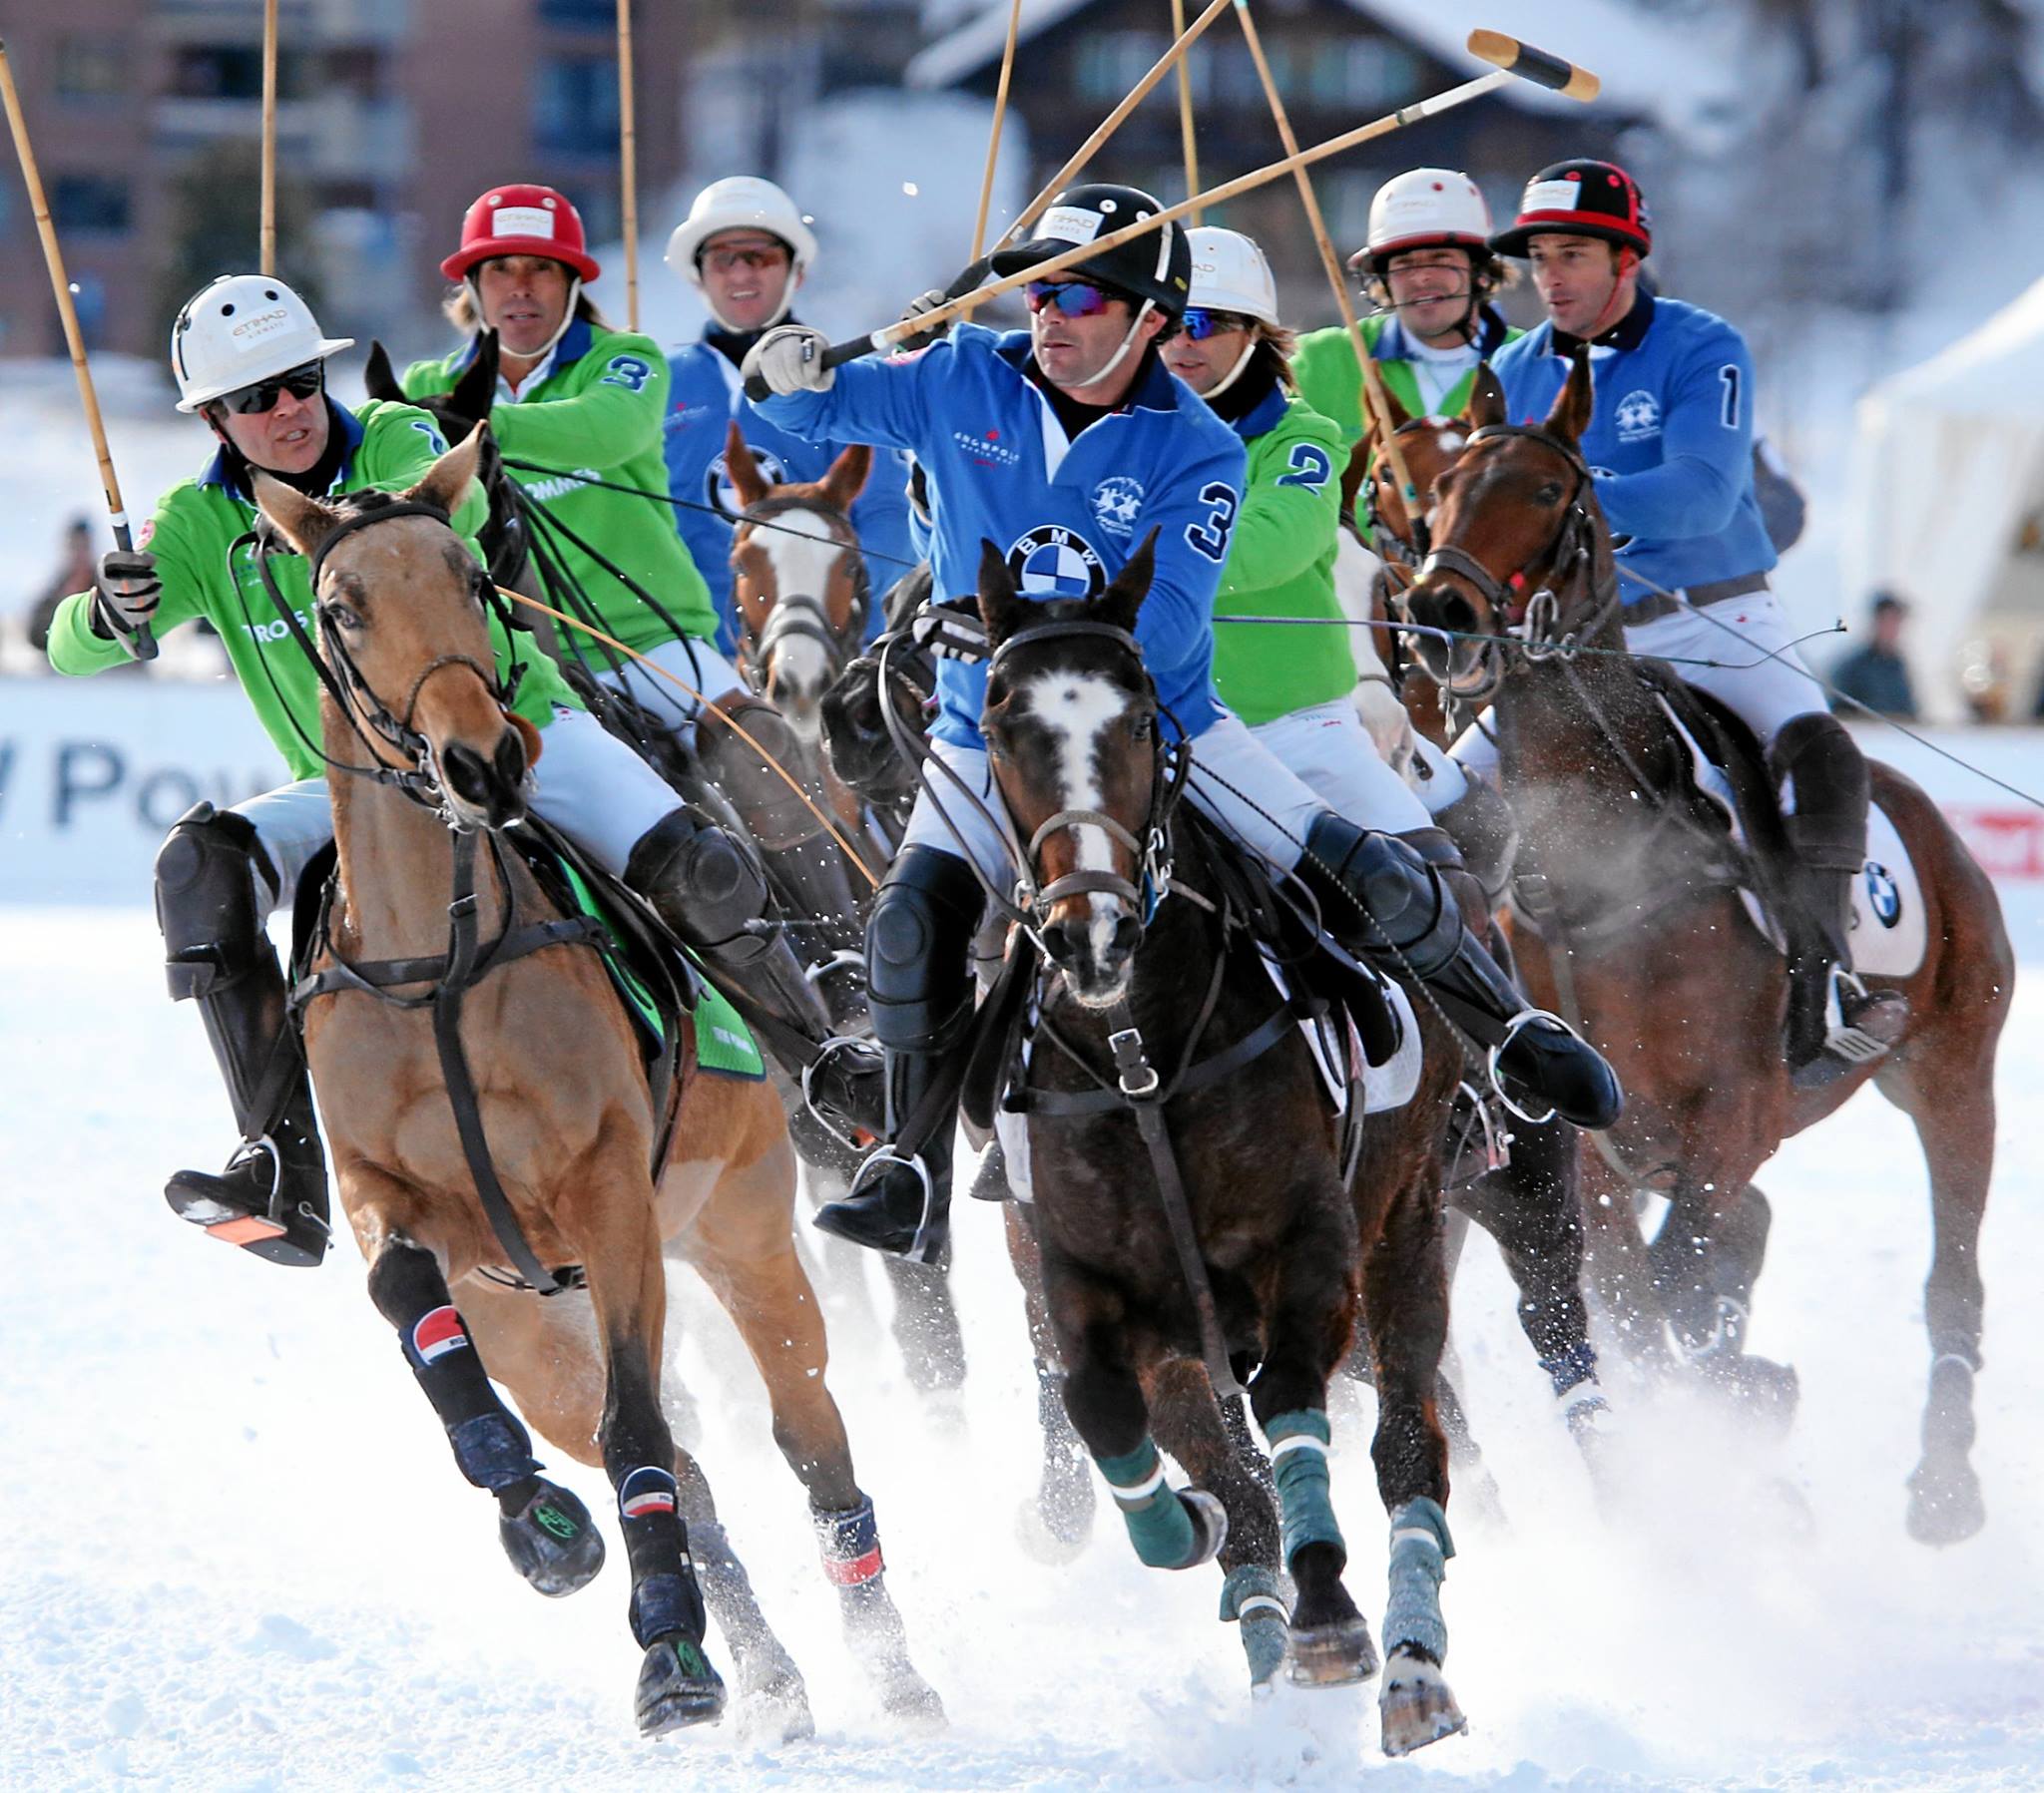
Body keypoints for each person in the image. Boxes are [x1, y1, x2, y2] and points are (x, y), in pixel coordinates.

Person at [745, 183, 1620, 1262]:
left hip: (1160, 732)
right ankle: (910, 1163)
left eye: (1079, 298)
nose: (1050, 318)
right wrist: (779, 367)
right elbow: (802, 416)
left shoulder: (1196, 449)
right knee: (909, 922)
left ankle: (1508, 1039)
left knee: (1370, 868)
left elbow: (1156, 634)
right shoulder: (956, 377)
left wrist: (998, 629)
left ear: (1148, 322)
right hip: (989, 738)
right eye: (1037, 295)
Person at [47, 274, 853, 1269]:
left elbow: (456, 528)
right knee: (194, 872)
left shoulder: (393, 441)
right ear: (214, 417)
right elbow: (72, 649)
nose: (288, 411)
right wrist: (107, 611)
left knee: (701, 867)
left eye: (299, 382)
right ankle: (281, 1163)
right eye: (254, 400)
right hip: (355, 796)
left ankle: (827, 1078)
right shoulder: (198, 521)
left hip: (514, 732)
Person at [1473, 159, 1906, 1083]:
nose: (1552, 275)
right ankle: (1461, 1027)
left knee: (1819, 761)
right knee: (1437, 795)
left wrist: (1566, 504)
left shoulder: (1700, 346)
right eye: (1540, 257)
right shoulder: (1509, 369)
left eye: (1575, 254)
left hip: (1716, 623)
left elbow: (1705, 495)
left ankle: (1827, 985)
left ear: (1628, 257)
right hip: (1570, 641)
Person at [403, 183, 853, 1041]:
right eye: (501, 272)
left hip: (652, 645)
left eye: (544, 270)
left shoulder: (628, 362)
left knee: (762, 754)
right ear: (472, 285)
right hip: (514, 669)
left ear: (575, 283)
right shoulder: (425, 385)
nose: (522, 291)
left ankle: (842, 967)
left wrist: (467, 427)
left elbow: (600, 434)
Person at [662, 177, 912, 652]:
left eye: (761, 257)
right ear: (698, 276)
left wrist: (851, 620)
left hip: (827, 659)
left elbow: (886, 516)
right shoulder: (658, 384)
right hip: (694, 662)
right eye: (722, 259)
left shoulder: (848, 381)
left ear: (796, 271)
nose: (741, 275)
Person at [1291, 168, 1519, 445]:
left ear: (1480, 272)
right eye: (1404, 263)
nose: (1421, 277)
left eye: (1439, 258)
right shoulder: (1318, 361)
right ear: (1383, 281)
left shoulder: (1537, 363)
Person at [1829, 593, 1917, 719]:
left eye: (1897, 622)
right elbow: (1840, 712)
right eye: (1888, 621)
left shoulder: (1898, 665)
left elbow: (1909, 711)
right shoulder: (1852, 667)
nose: (1893, 628)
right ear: (1876, 621)